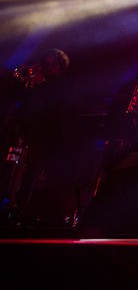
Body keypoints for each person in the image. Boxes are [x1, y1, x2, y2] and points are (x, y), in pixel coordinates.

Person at [8, 49, 83, 224]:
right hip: (33, 135)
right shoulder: (40, 84)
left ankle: (33, 213)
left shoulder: (65, 85)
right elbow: (25, 102)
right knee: (24, 175)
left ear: (61, 66)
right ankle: (17, 209)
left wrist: (42, 86)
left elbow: (57, 109)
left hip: (53, 140)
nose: (48, 68)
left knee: (41, 179)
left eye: (52, 65)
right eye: (46, 64)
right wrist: (31, 86)